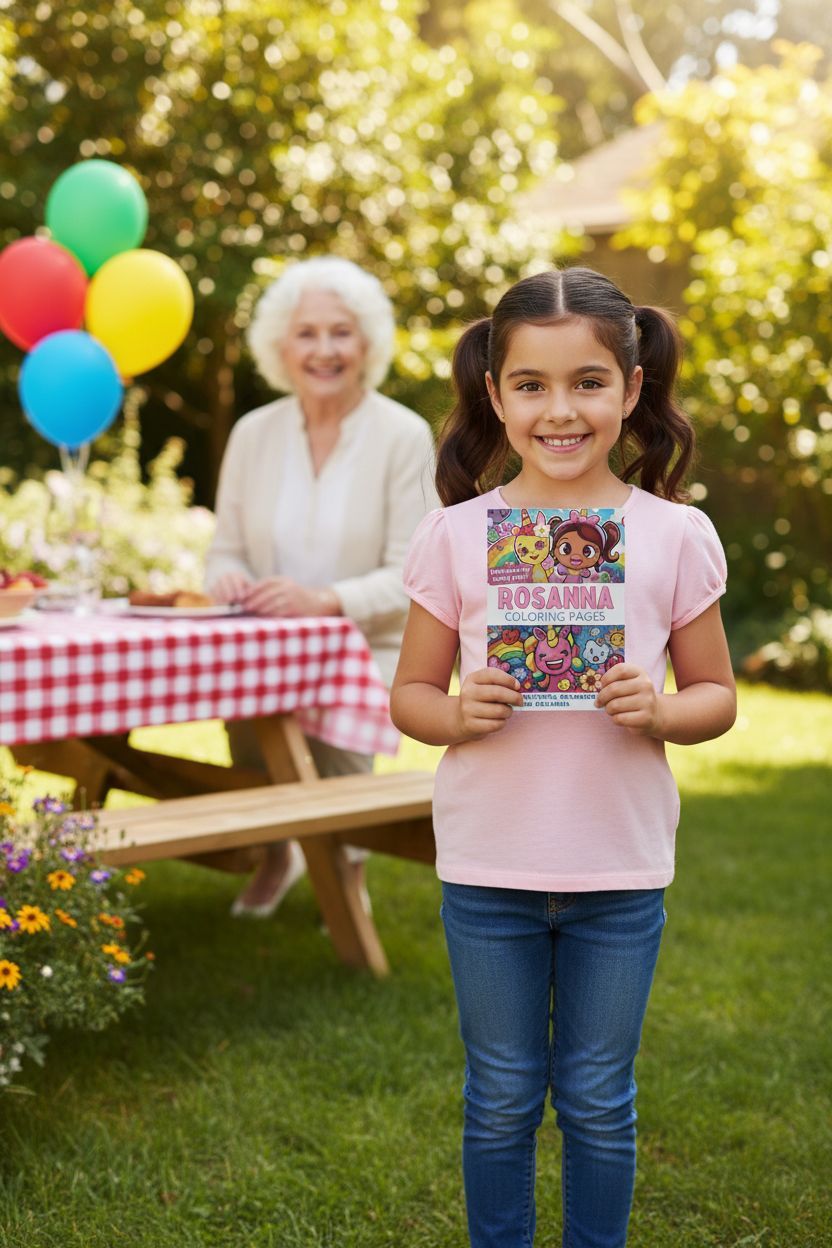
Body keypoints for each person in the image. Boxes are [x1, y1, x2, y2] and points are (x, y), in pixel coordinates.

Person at [390, 266, 736, 1248]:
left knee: (595, 1096)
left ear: (631, 390)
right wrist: (456, 715)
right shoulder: (456, 537)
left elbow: (717, 697)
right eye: (531, 385)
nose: (560, 409)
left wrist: (660, 710)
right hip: (489, 866)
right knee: (499, 1095)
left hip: (617, 870)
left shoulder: (674, 534)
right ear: (494, 396)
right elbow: (411, 695)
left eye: (587, 381)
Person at [205, 256, 437, 917]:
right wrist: (226, 580)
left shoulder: (403, 435)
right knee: (253, 745)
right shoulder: (254, 434)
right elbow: (224, 550)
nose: (325, 349)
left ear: (367, 343)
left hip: (363, 651)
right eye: (307, 333)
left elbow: (415, 573)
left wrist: (327, 601)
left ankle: (344, 868)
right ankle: (278, 852)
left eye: (341, 332)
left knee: (335, 782)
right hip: (262, 650)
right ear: (282, 344)